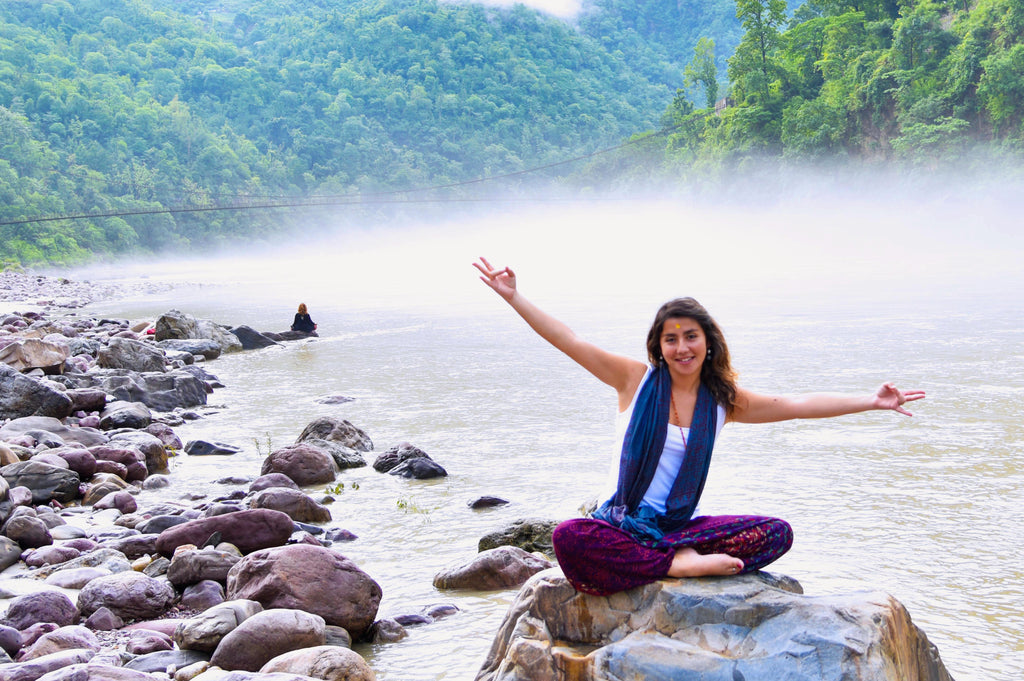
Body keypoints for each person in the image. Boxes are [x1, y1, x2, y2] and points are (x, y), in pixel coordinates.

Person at [473, 257, 925, 597]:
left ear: (707, 343)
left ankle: (667, 558)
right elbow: (568, 340)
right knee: (568, 538)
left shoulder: (723, 402)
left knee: (776, 532)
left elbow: (796, 404)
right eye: (671, 338)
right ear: (659, 345)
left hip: (675, 528)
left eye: (691, 336)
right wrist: (514, 297)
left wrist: (872, 401)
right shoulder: (634, 380)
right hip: (618, 522)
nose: (682, 347)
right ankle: (676, 566)